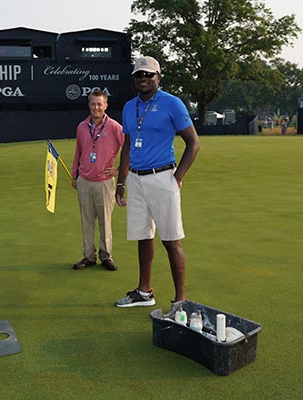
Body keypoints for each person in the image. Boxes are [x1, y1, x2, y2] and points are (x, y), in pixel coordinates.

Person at [114, 56, 200, 310]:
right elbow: (127, 145)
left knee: (171, 240)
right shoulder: (130, 107)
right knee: (143, 236)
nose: (143, 79)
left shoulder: (172, 103)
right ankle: (144, 291)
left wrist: (177, 177)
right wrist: (121, 183)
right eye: (139, 75)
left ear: (158, 77)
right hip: (136, 179)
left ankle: (180, 301)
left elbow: (193, 143)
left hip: (163, 177)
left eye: (148, 75)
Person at [71, 89, 124, 271]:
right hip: (84, 180)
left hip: (105, 181)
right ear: (89, 105)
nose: (96, 107)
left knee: (105, 221)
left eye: (99, 104)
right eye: (93, 104)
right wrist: (74, 175)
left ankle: (106, 256)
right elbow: (78, 152)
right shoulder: (82, 127)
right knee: (87, 221)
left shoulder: (115, 127)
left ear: (105, 105)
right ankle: (89, 256)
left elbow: (129, 149)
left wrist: (119, 169)